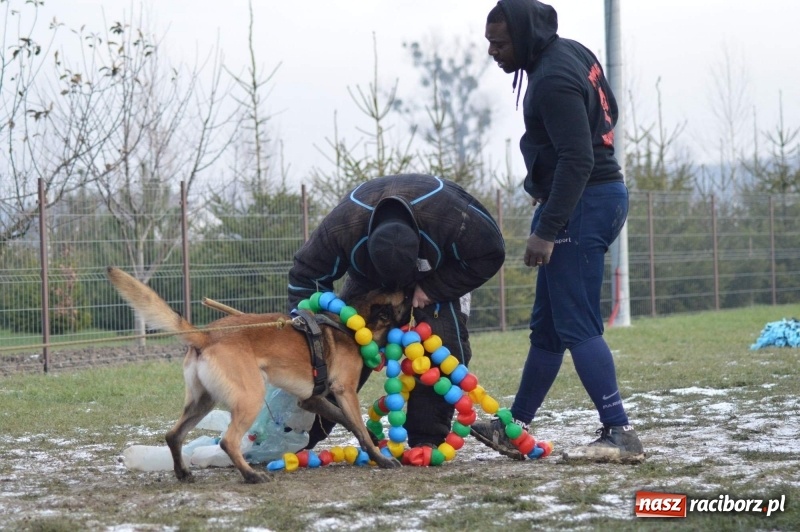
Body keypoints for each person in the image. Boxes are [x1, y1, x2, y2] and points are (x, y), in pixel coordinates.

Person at [470, 0, 644, 463]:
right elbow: (610, 115)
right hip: (594, 197)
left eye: (500, 43)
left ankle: (619, 431)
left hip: (582, 205)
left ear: (524, 36)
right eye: (489, 41)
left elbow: (580, 159)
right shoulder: (575, 52)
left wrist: (547, 227)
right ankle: (515, 427)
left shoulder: (550, 81)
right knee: (548, 328)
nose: (493, 51)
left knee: (577, 324)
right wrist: (550, 184)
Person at [287, 173, 505, 450]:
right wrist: (310, 335)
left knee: (442, 349)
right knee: (338, 349)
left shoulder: (454, 218)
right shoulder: (343, 227)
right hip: (368, 282)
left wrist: (434, 288)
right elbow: (306, 275)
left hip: (435, 275)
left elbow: (492, 253)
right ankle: (301, 435)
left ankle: (426, 440)